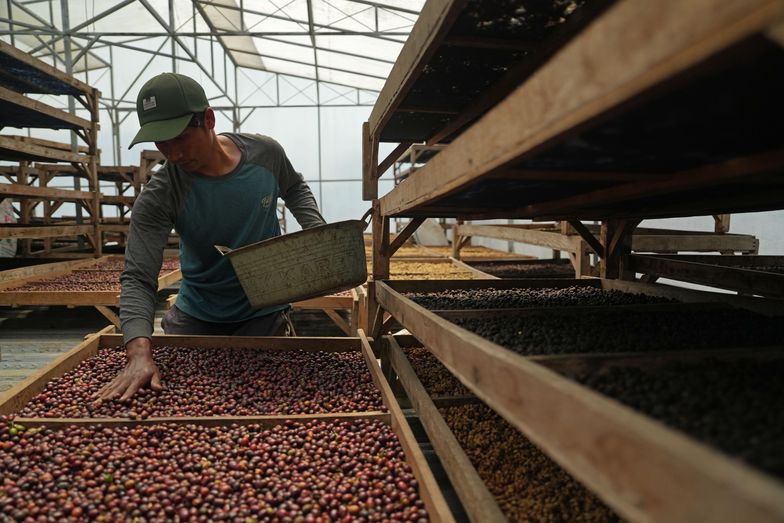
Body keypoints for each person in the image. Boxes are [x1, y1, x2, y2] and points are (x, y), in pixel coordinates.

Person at [98, 72, 325, 401]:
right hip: (197, 316)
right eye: (162, 143)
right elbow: (137, 277)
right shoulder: (160, 194)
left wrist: (316, 231)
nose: (172, 154)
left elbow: (294, 188)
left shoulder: (265, 155)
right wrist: (138, 353)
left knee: (276, 403)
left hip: (264, 313)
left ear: (208, 119)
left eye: (179, 138)